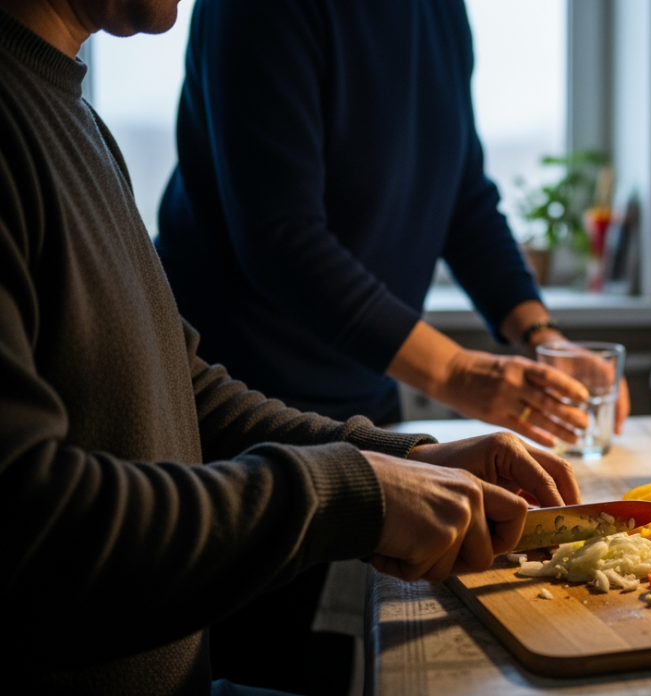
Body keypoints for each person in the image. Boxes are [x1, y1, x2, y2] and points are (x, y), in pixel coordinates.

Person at [0, 2, 579, 695]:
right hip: (264, 419)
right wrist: (351, 488)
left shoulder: (75, 117)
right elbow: (32, 533)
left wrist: (403, 456)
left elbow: (186, 390)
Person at [154, 0, 629, 443]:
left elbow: (463, 200)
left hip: (367, 397)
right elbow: (281, 238)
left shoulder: (439, 9)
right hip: (235, 400)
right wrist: (454, 372)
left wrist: (543, 338)